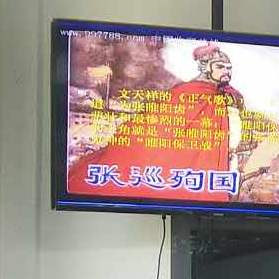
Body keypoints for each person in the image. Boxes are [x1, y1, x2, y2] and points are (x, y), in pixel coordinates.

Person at [66, 42, 252, 202]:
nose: (226, 72)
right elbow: (157, 123)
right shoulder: (185, 92)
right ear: (206, 68)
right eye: (220, 67)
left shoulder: (226, 95)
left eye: (229, 68)